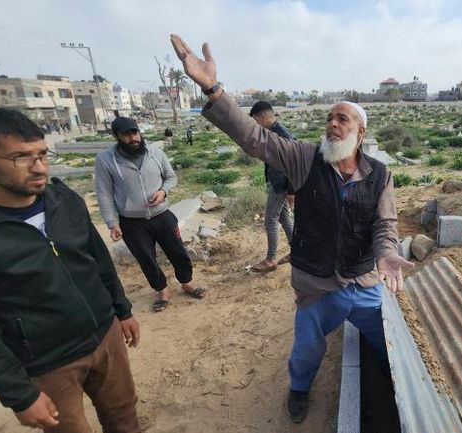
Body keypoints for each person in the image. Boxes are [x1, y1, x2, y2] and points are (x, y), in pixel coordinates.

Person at [171, 34, 413, 423]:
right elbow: (254, 138)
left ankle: (397, 383)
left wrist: (386, 253)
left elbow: (385, 224)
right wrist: (213, 89)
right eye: (329, 118)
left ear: (360, 132)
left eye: (342, 119)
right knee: (306, 349)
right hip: (317, 282)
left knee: (385, 343)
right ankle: (299, 390)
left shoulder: (380, 175)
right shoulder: (304, 157)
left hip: (364, 280)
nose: (332, 124)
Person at [0, 108, 141, 433]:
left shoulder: (64, 200)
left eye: (42, 154)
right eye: (21, 157)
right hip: (49, 362)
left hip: (105, 337)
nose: (38, 168)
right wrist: (20, 395)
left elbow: (99, 260)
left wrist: (122, 310)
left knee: (124, 417)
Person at [94, 116, 207, 313]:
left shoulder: (155, 152)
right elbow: (104, 193)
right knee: (146, 258)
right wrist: (112, 223)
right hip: (131, 222)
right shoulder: (105, 160)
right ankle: (162, 290)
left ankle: (186, 283)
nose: (133, 138)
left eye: (135, 132)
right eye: (126, 135)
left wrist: (163, 192)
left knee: (178, 252)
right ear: (116, 136)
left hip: (162, 215)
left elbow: (171, 177)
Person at [249, 100, 295, 273]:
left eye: (256, 121)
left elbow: (292, 164)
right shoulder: (273, 132)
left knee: (270, 220)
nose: (256, 125)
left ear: (263, 117)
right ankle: (297, 250)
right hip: (278, 183)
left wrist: (291, 190)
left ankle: (271, 259)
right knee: (284, 218)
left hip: (281, 185)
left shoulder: (282, 135)